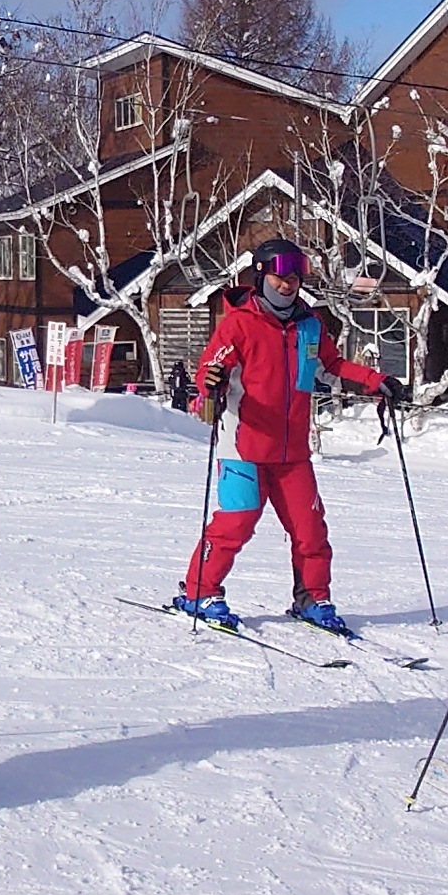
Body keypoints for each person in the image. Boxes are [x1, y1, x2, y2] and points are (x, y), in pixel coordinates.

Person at [175, 237, 392, 634]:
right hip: (244, 446)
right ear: (261, 276)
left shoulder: (310, 325)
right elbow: (210, 370)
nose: (287, 285)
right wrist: (211, 382)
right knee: (235, 524)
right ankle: (198, 591)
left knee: (310, 530)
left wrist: (377, 381)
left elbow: (331, 366)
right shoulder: (239, 323)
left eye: (293, 278)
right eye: (279, 277)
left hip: (293, 453)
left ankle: (312, 596)